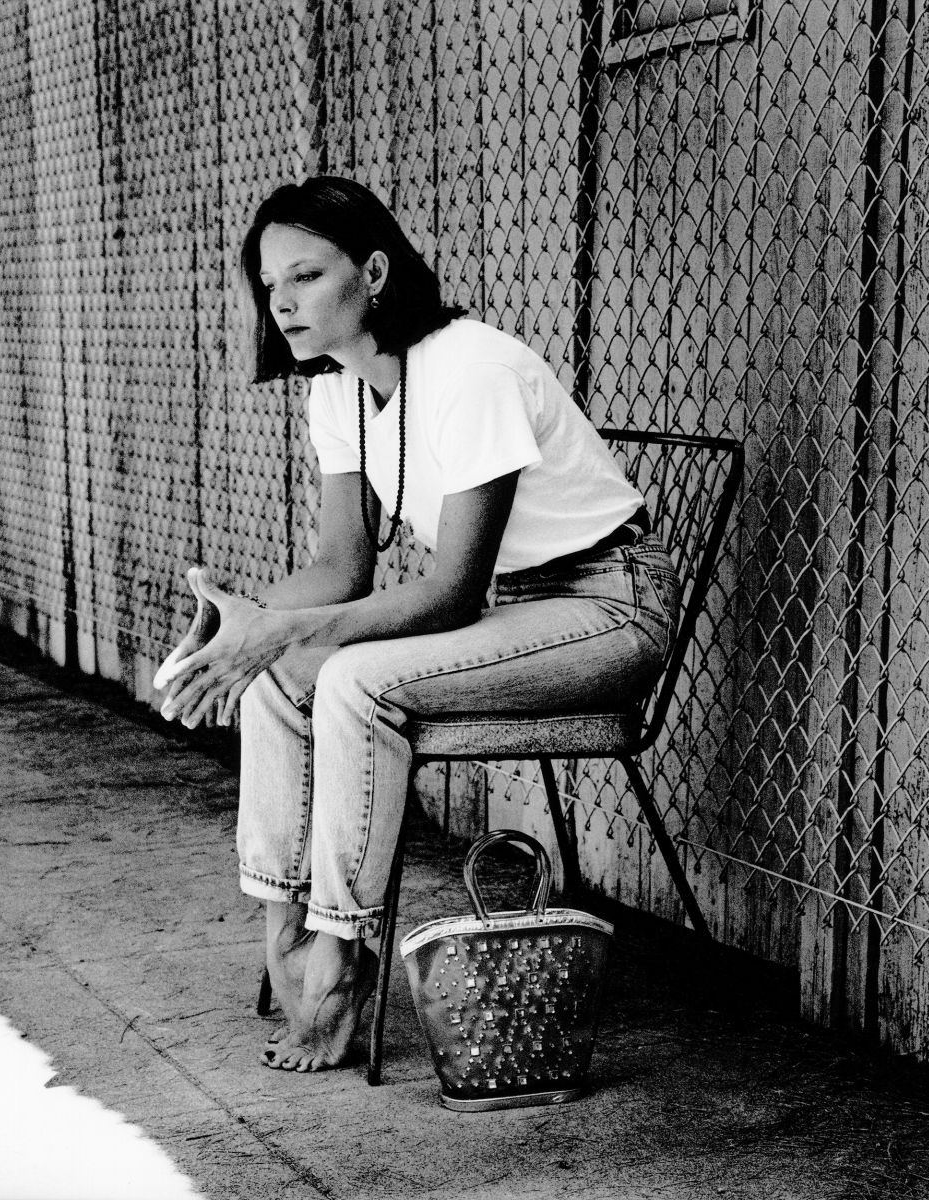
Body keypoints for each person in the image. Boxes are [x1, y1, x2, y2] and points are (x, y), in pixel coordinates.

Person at [153, 176, 678, 1073]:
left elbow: (450, 593)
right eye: (270, 282)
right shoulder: (339, 395)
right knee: (284, 678)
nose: (282, 301)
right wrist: (241, 625)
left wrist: (287, 633)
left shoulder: (470, 367)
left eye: (308, 275)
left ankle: (340, 957)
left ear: (377, 271)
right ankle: (284, 925)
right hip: (521, 615)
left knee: (353, 678)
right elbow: (340, 568)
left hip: (606, 609)